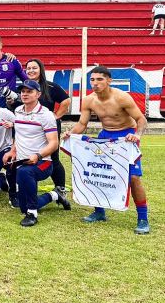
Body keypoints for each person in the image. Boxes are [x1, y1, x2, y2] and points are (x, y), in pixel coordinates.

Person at [64, 66, 150, 234]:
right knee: (96, 173)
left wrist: (137, 135)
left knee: (133, 178)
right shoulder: (89, 100)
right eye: (92, 80)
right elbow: (82, 124)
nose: (95, 83)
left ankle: (142, 218)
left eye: (99, 79)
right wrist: (70, 134)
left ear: (109, 80)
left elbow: (141, 119)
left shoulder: (122, 97)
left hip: (126, 137)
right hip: (105, 136)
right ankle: (99, 211)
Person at [3, 80, 69, 227]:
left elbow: (54, 143)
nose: (25, 94)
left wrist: (37, 156)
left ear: (38, 94)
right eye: (23, 91)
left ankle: (32, 214)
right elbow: (18, 135)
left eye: (29, 91)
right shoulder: (18, 111)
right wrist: (12, 151)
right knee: (22, 206)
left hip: (43, 162)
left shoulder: (46, 115)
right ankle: (55, 195)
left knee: (24, 173)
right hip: (22, 160)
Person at [25, 58, 70, 194]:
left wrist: (56, 116)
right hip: (31, 127)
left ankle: (60, 189)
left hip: (50, 127)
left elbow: (66, 101)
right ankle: (27, 186)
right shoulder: (25, 87)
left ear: (41, 70)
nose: (31, 70)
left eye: (34, 68)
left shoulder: (50, 86)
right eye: (28, 68)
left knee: (53, 157)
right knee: (30, 155)